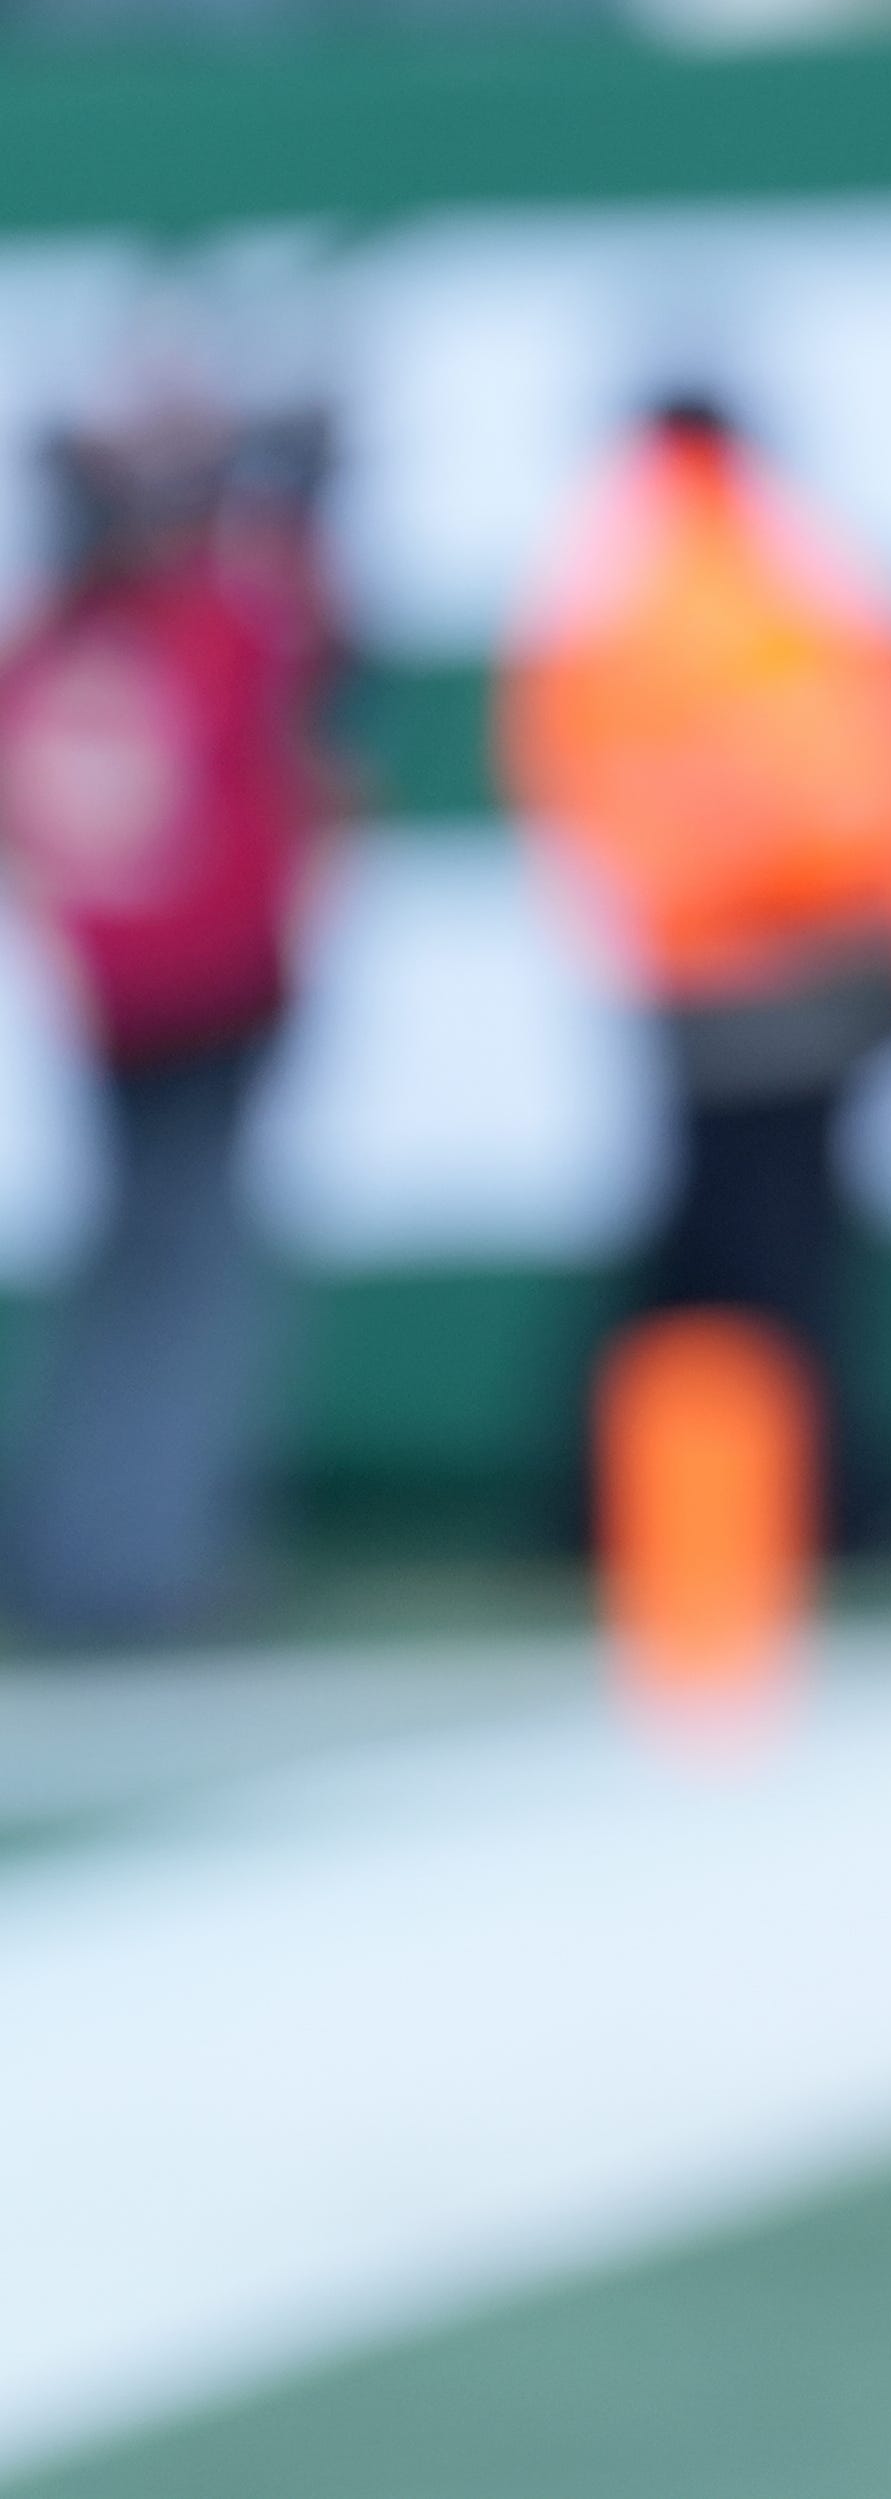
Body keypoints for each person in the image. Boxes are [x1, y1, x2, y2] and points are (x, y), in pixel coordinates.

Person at [500, 394, 891, 1554]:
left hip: (712, 972)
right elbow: (852, 781)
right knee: (774, 1251)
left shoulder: (637, 580)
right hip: (781, 968)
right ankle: (808, 1497)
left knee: (711, 1246)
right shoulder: (742, 580)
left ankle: (625, 1502)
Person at [0, 396, 334, 1642]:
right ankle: (138, 1560)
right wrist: (297, 504)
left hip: (114, 1002)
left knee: (132, 1277)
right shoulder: (204, 631)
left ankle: (89, 1547)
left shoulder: (48, 652)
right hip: (208, 997)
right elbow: (306, 658)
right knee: (186, 1284)